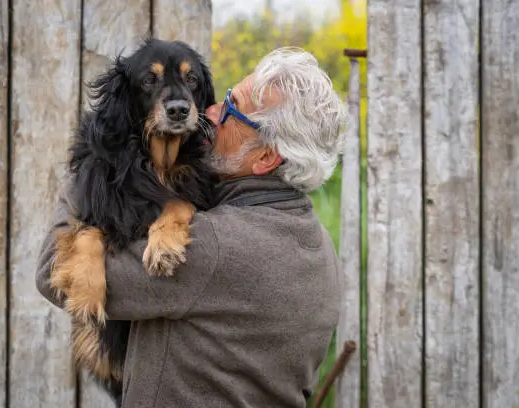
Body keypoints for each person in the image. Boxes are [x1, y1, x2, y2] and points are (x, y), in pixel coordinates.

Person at [36, 46, 347, 407]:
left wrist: (93, 164)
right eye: (224, 97)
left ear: (265, 157)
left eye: (232, 110)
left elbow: (51, 274)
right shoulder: (318, 243)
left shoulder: (211, 246)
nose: (211, 113)